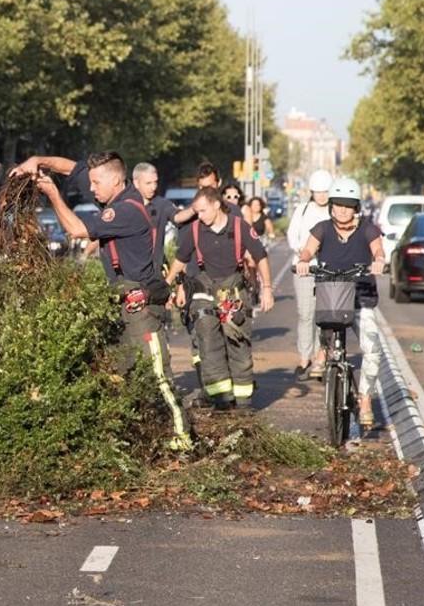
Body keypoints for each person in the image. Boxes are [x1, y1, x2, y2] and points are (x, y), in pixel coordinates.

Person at [14, 152, 193, 451]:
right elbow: (73, 169)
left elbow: (77, 231)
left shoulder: (125, 210)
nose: (92, 188)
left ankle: (182, 438)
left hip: (140, 304)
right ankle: (136, 438)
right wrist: (37, 160)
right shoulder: (113, 194)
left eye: (97, 183)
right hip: (119, 301)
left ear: (115, 180)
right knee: (121, 375)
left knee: (157, 376)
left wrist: (53, 194)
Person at [165, 187, 274, 408]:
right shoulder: (194, 230)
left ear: (216, 205)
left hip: (233, 289)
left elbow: (260, 256)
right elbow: (180, 260)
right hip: (205, 289)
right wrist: (167, 286)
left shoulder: (239, 226)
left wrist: (267, 288)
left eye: (203, 210)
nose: (199, 216)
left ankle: (243, 402)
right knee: (207, 337)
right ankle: (222, 399)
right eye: (196, 211)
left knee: (237, 341)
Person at [294, 177, 386, 429]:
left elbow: (378, 250)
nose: (343, 210)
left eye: (348, 206)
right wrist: (303, 261)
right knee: (325, 333)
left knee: (372, 349)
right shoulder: (322, 228)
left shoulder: (368, 229)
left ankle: (365, 397)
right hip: (332, 295)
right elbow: (307, 250)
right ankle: (322, 355)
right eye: (338, 205)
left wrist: (378, 260)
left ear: (356, 207)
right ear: (331, 206)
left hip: (360, 298)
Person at [287, 169, 333, 378]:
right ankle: (304, 357)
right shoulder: (302, 210)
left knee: (324, 316)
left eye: (325, 192)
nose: (321, 196)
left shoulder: (335, 211)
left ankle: (321, 357)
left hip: (329, 269)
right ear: (311, 192)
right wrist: (302, 251)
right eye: (317, 192)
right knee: (305, 313)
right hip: (304, 268)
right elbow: (292, 235)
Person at [131, 162, 181, 271]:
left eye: (155, 182)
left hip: (155, 272)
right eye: (148, 183)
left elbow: (178, 217)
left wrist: (193, 209)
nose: (153, 187)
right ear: (136, 183)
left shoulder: (162, 205)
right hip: (131, 274)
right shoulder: (125, 207)